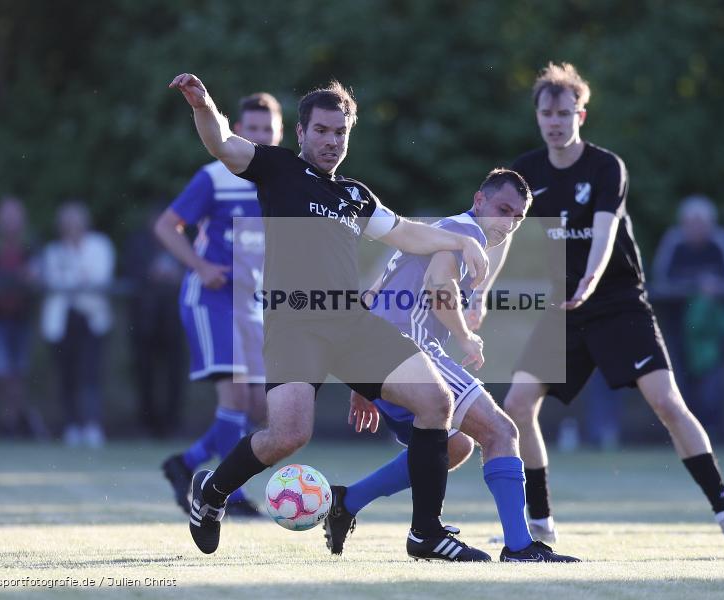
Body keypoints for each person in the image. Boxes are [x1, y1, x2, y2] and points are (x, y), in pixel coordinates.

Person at [170, 72, 492, 561]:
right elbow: (221, 142)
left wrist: (460, 239)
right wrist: (202, 104)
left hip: (350, 323)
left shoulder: (354, 195)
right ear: (300, 133)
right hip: (295, 321)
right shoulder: (276, 168)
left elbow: (405, 233)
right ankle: (213, 491)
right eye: (321, 130)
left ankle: (426, 534)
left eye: (340, 132)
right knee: (289, 436)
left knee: (436, 401)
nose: (331, 140)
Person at [500, 62, 724, 546]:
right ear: (537, 117)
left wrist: (590, 281)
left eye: (564, 113)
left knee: (667, 403)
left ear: (582, 114)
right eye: (546, 114)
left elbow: (604, 231)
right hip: (562, 311)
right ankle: (539, 523)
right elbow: (501, 234)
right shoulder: (525, 172)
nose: (554, 122)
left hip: (617, 303)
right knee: (516, 405)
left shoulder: (605, 166)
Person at [322, 168, 580, 563]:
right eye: (503, 209)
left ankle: (347, 501)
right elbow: (439, 285)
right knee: (502, 431)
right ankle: (519, 546)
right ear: (479, 201)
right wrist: (464, 336)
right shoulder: (467, 233)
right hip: (413, 349)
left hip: (379, 352)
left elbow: (376, 294)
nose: (507, 223)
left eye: (517, 217)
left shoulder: (441, 229)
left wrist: (364, 381)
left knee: (454, 446)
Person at [157, 93, 282, 517]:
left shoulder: (280, 180)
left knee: (262, 409)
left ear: (279, 133)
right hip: (211, 300)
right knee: (233, 399)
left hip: (252, 304)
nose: (261, 136)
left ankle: (186, 463)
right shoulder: (215, 177)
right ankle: (230, 495)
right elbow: (166, 226)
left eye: (268, 129)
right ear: (238, 131)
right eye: (253, 129)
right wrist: (200, 265)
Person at [652, 195, 724, 439]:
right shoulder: (674, 243)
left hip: (711, 333)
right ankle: (680, 433)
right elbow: (661, 282)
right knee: (677, 381)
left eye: (701, 223)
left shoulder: (720, 243)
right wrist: (691, 287)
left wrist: (715, 289)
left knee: (712, 382)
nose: (695, 228)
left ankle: (711, 431)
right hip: (677, 328)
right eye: (690, 223)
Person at [39, 202, 115, 448]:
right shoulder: (53, 251)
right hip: (63, 321)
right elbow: (55, 279)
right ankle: (71, 425)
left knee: (90, 373)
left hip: (91, 320)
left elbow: (98, 277)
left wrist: (75, 280)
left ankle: (92, 425)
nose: (72, 229)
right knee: (67, 375)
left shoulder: (100, 245)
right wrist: (77, 279)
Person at [0, 196, 47, 438]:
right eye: (6, 216)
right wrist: (17, 276)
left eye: (15, 216)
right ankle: (12, 419)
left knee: (18, 370)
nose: (10, 222)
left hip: (22, 317)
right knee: (1, 371)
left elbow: (37, 275)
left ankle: (13, 421)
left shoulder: (31, 242)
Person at [123, 203, 185, 439]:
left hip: (175, 320)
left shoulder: (185, 242)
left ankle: (172, 424)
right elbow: (131, 272)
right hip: (145, 321)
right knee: (145, 373)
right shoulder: (137, 243)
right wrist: (153, 274)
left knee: (175, 375)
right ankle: (147, 424)